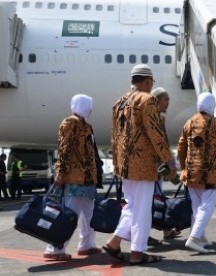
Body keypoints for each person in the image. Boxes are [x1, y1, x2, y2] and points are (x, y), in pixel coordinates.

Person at [104, 64, 176, 265]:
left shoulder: (119, 102)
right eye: (152, 81)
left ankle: (114, 242)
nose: (152, 85)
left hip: (125, 165)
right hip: (143, 165)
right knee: (142, 210)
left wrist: (117, 164)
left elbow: (114, 137)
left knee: (132, 206)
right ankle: (137, 252)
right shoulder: (147, 99)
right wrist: (168, 160)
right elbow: (156, 133)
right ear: (147, 81)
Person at [43, 94, 101, 261]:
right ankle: (54, 248)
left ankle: (87, 245)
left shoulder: (88, 126)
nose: (91, 109)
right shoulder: (70, 123)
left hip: (88, 178)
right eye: (89, 105)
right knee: (69, 214)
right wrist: (60, 173)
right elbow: (64, 150)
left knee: (89, 215)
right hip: (74, 177)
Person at [178, 92, 216, 253]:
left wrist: (184, 167)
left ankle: (200, 237)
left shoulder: (189, 122)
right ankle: (193, 238)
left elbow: (181, 147)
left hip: (192, 172)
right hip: (210, 173)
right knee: (207, 206)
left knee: (197, 206)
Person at [148, 87, 181, 244]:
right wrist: (171, 165)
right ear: (157, 100)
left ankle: (166, 230)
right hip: (151, 167)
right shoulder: (152, 118)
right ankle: (143, 235)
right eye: (165, 99)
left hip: (159, 166)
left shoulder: (159, 118)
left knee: (158, 197)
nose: (168, 102)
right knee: (150, 200)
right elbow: (160, 144)